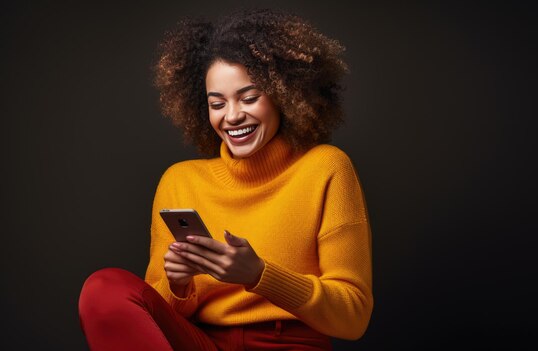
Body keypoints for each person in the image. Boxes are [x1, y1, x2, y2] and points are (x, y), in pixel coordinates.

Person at [79, 8, 373, 351]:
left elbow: (353, 319)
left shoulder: (327, 168)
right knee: (104, 289)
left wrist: (259, 274)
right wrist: (178, 283)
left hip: (288, 344)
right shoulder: (179, 181)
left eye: (249, 98)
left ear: (284, 95)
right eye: (217, 103)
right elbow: (150, 321)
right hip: (201, 342)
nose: (232, 116)